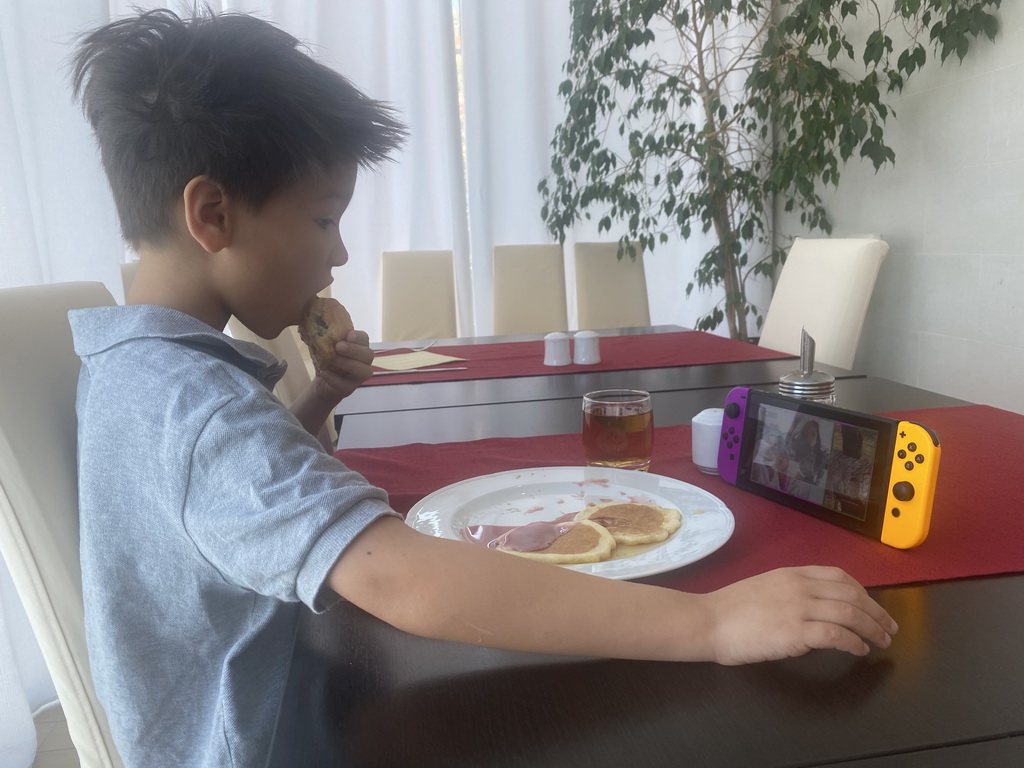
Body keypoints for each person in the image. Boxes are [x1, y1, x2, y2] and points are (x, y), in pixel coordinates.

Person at [68, 9, 897, 767]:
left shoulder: (147, 373)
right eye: (325, 219)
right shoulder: (198, 408)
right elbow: (403, 580)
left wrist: (316, 402)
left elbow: (222, 505)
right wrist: (713, 623)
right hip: (262, 737)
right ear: (211, 214)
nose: (341, 256)